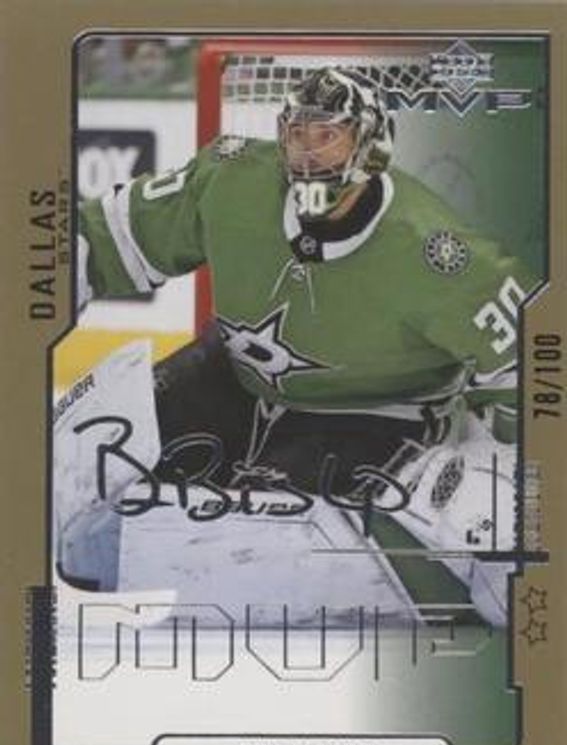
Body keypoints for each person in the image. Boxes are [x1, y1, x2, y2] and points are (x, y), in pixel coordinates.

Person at [77, 67, 534, 508]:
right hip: (235, 379)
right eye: (298, 135)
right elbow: (108, 238)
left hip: (376, 414)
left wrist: (502, 463)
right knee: (104, 449)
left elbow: (531, 358)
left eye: (328, 136)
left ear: (372, 146)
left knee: (262, 525)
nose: (309, 154)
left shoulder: (436, 253)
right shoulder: (228, 180)